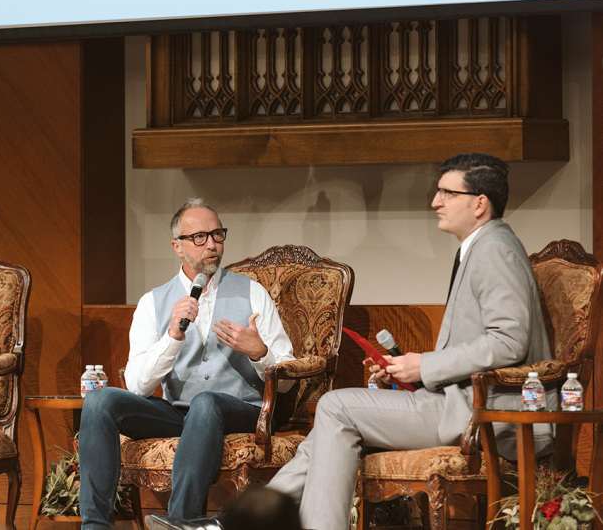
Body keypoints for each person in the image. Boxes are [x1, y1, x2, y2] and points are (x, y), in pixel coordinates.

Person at [154, 153, 554, 530]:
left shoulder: (494, 249)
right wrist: (407, 370)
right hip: (454, 399)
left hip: (482, 410)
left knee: (335, 404)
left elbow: (508, 341)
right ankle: (227, 523)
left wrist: (426, 366)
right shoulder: (479, 248)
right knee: (324, 437)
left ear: (480, 203)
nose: (436, 201)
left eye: (448, 193)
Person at [78, 198, 295, 530]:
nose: (212, 244)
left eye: (217, 235)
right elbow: (137, 385)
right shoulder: (153, 302)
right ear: (177, 246)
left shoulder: (251, 293)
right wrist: (172, 337)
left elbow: (288, 378)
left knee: (207, 403)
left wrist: (259, 352)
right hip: (180, 413)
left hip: (244, 412)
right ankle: (95, 526)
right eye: (200, 237)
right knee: (99, 400)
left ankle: (181, 522)